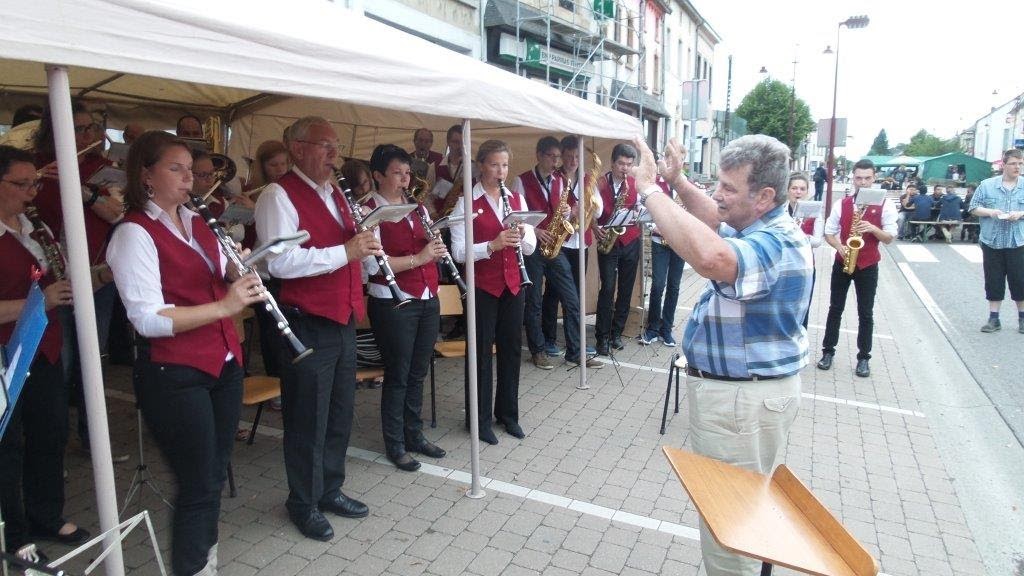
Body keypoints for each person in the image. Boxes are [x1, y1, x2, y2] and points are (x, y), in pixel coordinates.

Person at [631, 134, 811, 576]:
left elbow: (711, 256)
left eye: (730, 187)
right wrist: (678, 182)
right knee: (745, 515)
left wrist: (652, 190)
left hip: (739, 403)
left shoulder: (775, 242)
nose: (718, 194)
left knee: (730, 533)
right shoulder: (761, 226)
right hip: (744, 399)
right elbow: (715, 217)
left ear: (765, 196)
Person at [105, 131, 265, 575]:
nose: (188, 178)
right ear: (146, 174)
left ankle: (203, 558)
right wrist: (226, 305)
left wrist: (236, 268)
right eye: (175, 168)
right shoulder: (133, 234)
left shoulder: (198, 222)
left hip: (223, 361)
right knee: (197, 482)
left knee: (213, 475)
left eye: (189, 170)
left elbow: (213, 279)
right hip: (173, 372)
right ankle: (192, 567)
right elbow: (148, 318)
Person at [254, 116, 377, 541]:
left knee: (341, 411)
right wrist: (346, 250)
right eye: (324, 145)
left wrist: (363, 241)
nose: (333, 154)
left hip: (340, 318)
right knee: (308, 417)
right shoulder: (278, 195)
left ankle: (330, 488)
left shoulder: (334, 193)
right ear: (298, 148)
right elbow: (279, 262)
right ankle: (302, 502)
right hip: (305, 321)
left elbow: (348, 252)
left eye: (335, 145)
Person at [1, 145, 88, 562]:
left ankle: (46, 514)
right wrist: (42, 301)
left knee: (50, 433)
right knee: (8, 443)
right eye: (22, 184)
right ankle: (13, 534)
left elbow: (59, 279)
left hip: (44, 346)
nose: (32, 192)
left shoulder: (37, 228)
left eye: (35, 182)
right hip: (5, 354)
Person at [32, 103, 122, 453]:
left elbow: (117, 214)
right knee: (62, 361)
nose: (88, 136)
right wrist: (41, 177)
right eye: (79, 129)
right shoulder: (39, 166)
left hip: (96, 276)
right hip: (51, 278)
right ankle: (51, 444)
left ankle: (93, 439)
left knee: (91, 359)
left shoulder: (102, 169)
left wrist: (84, 191)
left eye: (91, 128)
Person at [363, 144, 447, 472]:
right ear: (378, 175)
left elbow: (427, 248)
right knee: (398, 374)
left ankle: (414, 433)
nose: (404, 178)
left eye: (407, 172)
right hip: (392, 300)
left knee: (418, 370)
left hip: (426, 295)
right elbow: (373, 266)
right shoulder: (369, 210)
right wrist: (421, 258)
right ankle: (395, 443)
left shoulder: (417, 207)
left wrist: (434, 245)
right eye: (397, 173)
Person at [450, 139, 536, 445]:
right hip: (483, 287)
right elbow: (459, 252)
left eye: (505, 165)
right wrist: (491, 245)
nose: (500, 171)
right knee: (481, 352)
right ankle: (479, 419)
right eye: (494, 165)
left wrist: (525, 235)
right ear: (481, 166)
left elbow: (529, 247)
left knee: (512, 350)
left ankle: (508, 415)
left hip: (514, 284)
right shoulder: (465, 203)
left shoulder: (516, 200)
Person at [514, 136, 599, 369]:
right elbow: (514, 219)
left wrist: (571, 214)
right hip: (533, 247)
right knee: (534, 302)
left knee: (572, 299)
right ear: (539, 155)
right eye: (552, 156)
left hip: (555, 247)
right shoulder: (521, 181)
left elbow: (560, 216)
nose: (556, 161)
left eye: (557, 157)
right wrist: (536, 230)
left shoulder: (561, 182)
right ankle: (537, 350)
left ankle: (574, 352)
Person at [816, 159, 898, 378]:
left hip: (868, 264)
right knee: (835, 308)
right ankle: (828, 352)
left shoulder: (885, 204)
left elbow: (889, 237)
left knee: (865, 313)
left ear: (874, 178)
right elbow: (829, 232)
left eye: (867, 178)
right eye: (859, 178)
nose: (863, 182)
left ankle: (864, 358)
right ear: (853, 178)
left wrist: (872, 228)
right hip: (843, 261)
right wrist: (839, 247)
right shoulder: (842, 204)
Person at [541, 135, 604, 356]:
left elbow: (598, 209)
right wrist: (573, 209)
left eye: (577, 157)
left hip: (581, 244)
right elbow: (553, 207)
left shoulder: (587, 179)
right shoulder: (554, 178)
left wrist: (587, 207)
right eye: (569, 157)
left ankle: (573, 341)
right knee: (553, 293)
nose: (573, 161)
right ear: (562, 157)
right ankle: (549, 338)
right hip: (562, 242)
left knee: (575, 294)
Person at [969, 149, 1024, 334]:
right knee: (994, 279)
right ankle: (994, 319)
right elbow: (973, 207)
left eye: (1020, 163)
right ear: (1004, 165)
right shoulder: (987, 185)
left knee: (1020, 280)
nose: (1017, 167)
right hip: (992, 241)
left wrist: (1020, 214)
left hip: (1018, 241)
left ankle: (1022, 318)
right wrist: (991, 212)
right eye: (1013, 163)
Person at [593, 143, 640, 356]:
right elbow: (590, 213)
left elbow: (640, 209)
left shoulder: (634, 183)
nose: (625, 168)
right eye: (621, 163)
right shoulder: (600, 182)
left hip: (630, 240)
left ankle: (616, 333)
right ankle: (601, 337)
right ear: (612, 163)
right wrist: (595, 228)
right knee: (608, 289)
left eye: (629, 164)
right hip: (608, 242)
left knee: (626, 289)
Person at [641, 171, 686, 347]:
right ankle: (652, 327)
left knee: (674, 286)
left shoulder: (685, 185)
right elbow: (646, 211)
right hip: (660, 240)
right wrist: (654, 227)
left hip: (680, 242)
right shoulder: (655, 186)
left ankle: (666, 329)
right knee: (658, 285)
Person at [787, 172, 823, 328]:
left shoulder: (815, 212)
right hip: (784, 265)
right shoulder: (780, 211)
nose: (798, 192)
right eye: (794, 188)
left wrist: (799, 236)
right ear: (788, 190)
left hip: (805, 265)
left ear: (807, 191)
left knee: (803, 307)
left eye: (802, 189)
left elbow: (817, 241)